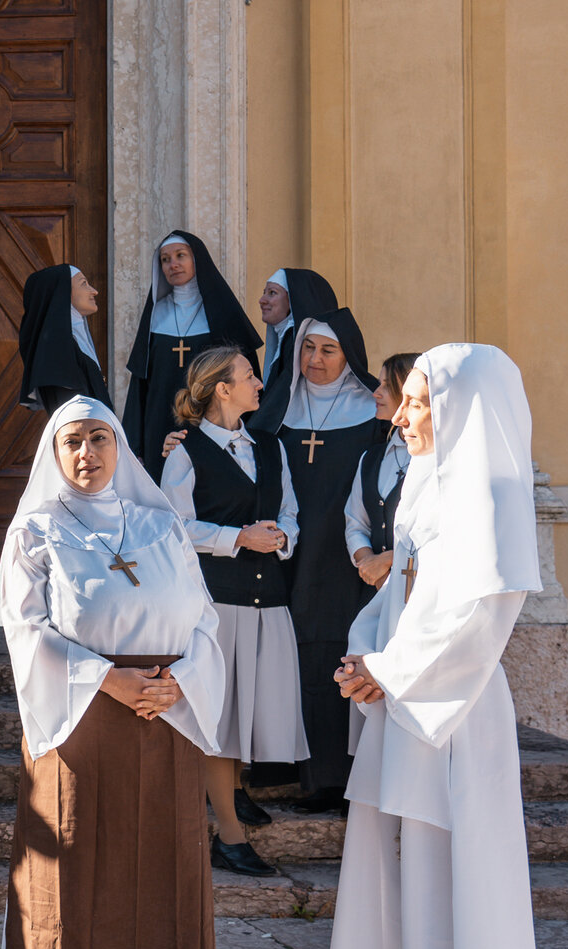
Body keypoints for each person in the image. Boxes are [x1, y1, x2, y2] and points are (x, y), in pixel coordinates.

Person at [325, 344, 546, 949]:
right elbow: (402, 601)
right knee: (418, 869)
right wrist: (364, 655)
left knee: (464, 870)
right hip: (408, 696)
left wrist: (389, 670)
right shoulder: (427, 484)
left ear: (460, 406)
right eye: (408, 399)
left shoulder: (489, 490)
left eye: (418, 401)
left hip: (459, 707)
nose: (404, 414)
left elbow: (476, 616)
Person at [0, 396, 227, 949]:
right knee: (77, 868)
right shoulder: (34, 532)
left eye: (100, 438)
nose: (88, 453)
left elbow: (205, 620)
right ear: (54, 455)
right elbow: (26, 632)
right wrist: (106, 681)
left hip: (165, 710)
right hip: (81, 714)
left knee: (169, 864)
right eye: (73, 442)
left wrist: (179, 681)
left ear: (120, 447)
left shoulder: (163, 528)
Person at [158, 349, 305, 877]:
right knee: (218, 718)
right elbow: (173, 529)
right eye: (248, 376)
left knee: (249, 707)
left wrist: (282, 535)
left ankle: (235, 792)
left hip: (270, 601)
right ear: (223, 388)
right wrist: (237, 537)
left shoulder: (270, 446)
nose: (259, 383)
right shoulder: (185, 454)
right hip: (216, 603)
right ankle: (230, 834)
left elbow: (289, 508)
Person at [270, 309, 380, 814]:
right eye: (308, 349)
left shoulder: (372, 414)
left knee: (340, 656)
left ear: (348, 356)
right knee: (292, 659)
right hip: (286, 555)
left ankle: (342, 778)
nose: (315, 359)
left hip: (347, 560)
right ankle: (298, 774)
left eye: (328, 350)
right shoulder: (275, 408)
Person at [120, 232, 259, 480]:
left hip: (211, 427)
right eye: (165, 259)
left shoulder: (222, 314)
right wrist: (134, 446)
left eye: (180, 256)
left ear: (198, 260)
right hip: (158, 426)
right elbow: (140, 385)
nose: (173, 264)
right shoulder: (156, 315)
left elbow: (245, 379)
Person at [345, 352, 418, 591]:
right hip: (376, 591)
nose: (376, 393)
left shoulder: (437, 459)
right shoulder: (371, 458)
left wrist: (386, 561)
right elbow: (356, 523)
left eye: (387, 386)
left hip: (422, 591)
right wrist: (370, 566)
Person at [250, 268, 339, 430]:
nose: (262, 300)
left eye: (272, 293)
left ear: (294, 300)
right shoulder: (287, 337)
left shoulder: (296, 342)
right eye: (264, 293)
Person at [15, 264, 110, 412]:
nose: (94, 291)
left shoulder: (72, 342)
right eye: (84, 283)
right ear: (63, 292)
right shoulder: (56, 353)